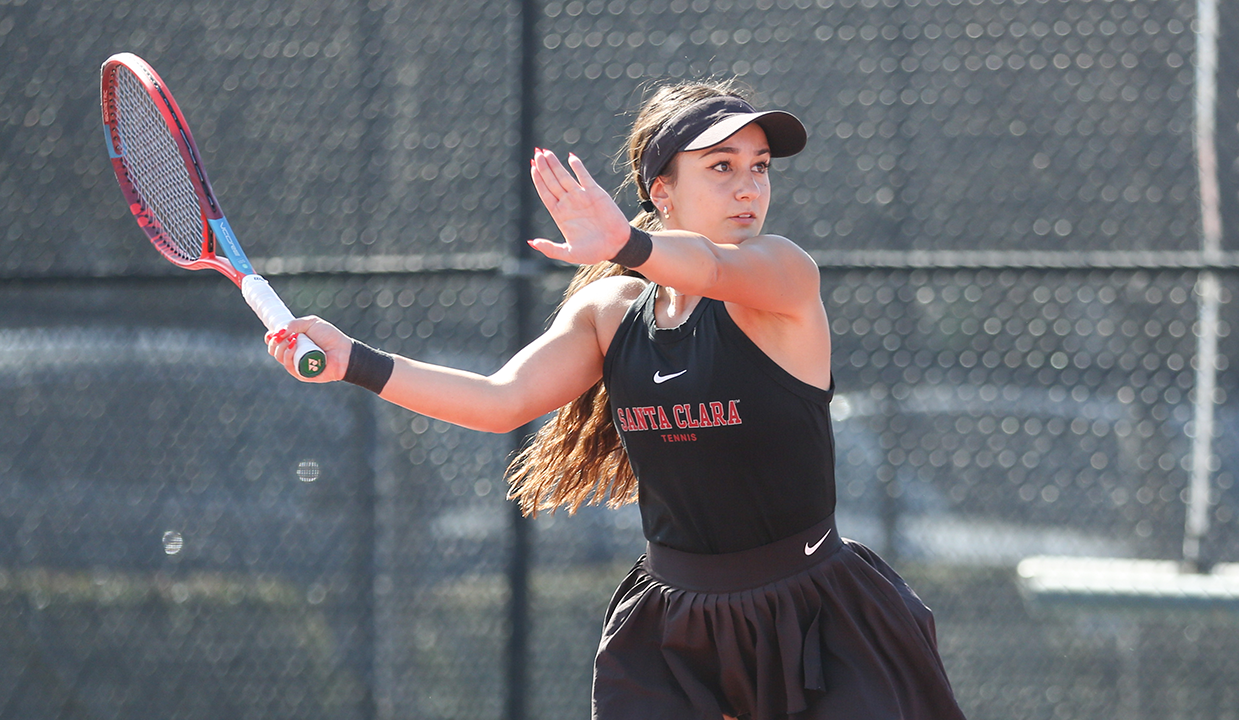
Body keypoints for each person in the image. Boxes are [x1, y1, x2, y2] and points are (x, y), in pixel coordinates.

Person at [267, 80, 967, 720]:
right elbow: (498, 400)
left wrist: (629, 243)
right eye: (721, 166)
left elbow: (714, 266)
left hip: (820, 618)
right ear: (662, 190)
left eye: (760, 166)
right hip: (672, 632)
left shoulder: (782, 276)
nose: (749, 187)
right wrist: (352, 361)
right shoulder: (610, 312)